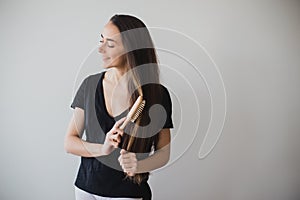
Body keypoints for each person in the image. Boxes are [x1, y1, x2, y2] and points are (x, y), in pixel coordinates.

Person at [64, 14, 174, 200]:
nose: (100, 49)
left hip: (128, 194)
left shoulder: (157, 95)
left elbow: (163, 153)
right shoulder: (90, 85)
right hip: (85, 189)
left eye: (110, 44)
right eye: (101, 40)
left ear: (132, 49)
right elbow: (70, 142)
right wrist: (103, 149)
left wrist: (138, 166)